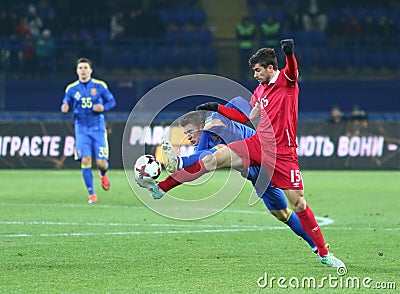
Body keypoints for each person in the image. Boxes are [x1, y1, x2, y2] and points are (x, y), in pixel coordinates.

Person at [137, 39, 346, 269]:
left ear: (270, 68)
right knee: (211, 159)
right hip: (257, 144)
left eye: (258, 70)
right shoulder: (259, 91)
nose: (255, 75)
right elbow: (247, 117)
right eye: (253, 71)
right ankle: (161, 189)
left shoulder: (287, 82)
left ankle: (324, 252)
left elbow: (293, 69)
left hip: (283, 154)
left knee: (296, 205)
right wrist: (218, 108)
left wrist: (289, 54)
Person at [162, 99, 318, 254]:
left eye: (190, 132)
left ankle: (180, 161)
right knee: (282, 213)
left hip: (263, 157)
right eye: (185, 134)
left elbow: (238, 100)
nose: (188, 137)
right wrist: (163, 183)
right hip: (255, 173)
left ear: (202, 125)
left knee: (219, 151)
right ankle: (316, 245)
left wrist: (238, 112)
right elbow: (197, 166)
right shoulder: (205, 140)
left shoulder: (219, 118)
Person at [61, 57, 116, 203]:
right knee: (85, 159)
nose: (83, 70)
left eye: (86, 68)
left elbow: (112, 101)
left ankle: (103, 173)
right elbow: (66, 101)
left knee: (101, 163)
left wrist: (103, 107)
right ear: (77, 71)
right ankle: (92, 194)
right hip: (81, 129)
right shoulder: (71, 88)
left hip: (98, 128)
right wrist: (65, 106)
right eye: (80, 68)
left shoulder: (100, 86)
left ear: (90, 70)